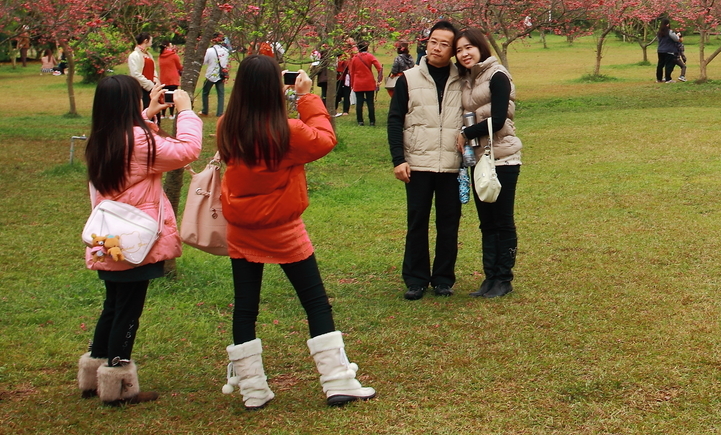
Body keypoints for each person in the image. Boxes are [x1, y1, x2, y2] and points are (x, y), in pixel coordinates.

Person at [217, 55, 374, 409]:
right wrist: (306, 97)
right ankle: (337, 381)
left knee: (245, 307)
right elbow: (324, 140)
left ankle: (253, 389)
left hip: (242, 227)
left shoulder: (227, 125)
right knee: (314, 301)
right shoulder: (285, 130)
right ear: (277, 86)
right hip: (283, 227)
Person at [78, 76, 201, 406]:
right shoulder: (139, 141)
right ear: (127, 105)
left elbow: (132, 141)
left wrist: (147, 114)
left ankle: (93, 373)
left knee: (113, 305)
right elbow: (187, 151)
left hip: (108, 237)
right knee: (128, 311)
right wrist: (186, 112)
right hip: (135, 241)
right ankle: (117, 384)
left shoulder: (102, 138)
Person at [387, 21, 465, 299]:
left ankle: (444, 278)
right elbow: (395, 121)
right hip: (418, 163)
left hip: (452, 164)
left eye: (445, 44)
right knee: (417, 221)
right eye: (434, 41)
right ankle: (416, 279)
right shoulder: (408, 78)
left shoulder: (463, 78)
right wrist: (399, 159)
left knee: (449, 222)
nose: (437, 48)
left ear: (453, 50)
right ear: (426, 42)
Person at [453, 27, 523, 298]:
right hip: (480, 160)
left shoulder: (497, 75)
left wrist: (465, 133)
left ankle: (504, 278)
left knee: (502, 220)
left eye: (468, 47)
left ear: (481, 47)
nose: (464, 54)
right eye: (459, 50)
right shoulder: (469, 80)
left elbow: (499, 118)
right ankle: (490, 277)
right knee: (486, 222)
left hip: (503, 159)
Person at [348, 41, 383, 126]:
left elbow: (351, 72)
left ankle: (360, 121)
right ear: (367, 48)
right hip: (369, 82)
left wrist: (352, 84)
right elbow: (379, 68)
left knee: (359, 103)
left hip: (358, 83)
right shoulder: (370, 56)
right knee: (370, 102)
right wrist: (379, 79)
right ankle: (372, 121)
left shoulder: (354, 58)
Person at [201, 32, 230, 117]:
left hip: (211, 74)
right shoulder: (226, 51)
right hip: (221, 74)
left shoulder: (209, 51)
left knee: (205, 92)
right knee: (221, 94)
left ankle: (205, 110)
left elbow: (204, 62)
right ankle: (220, 112)